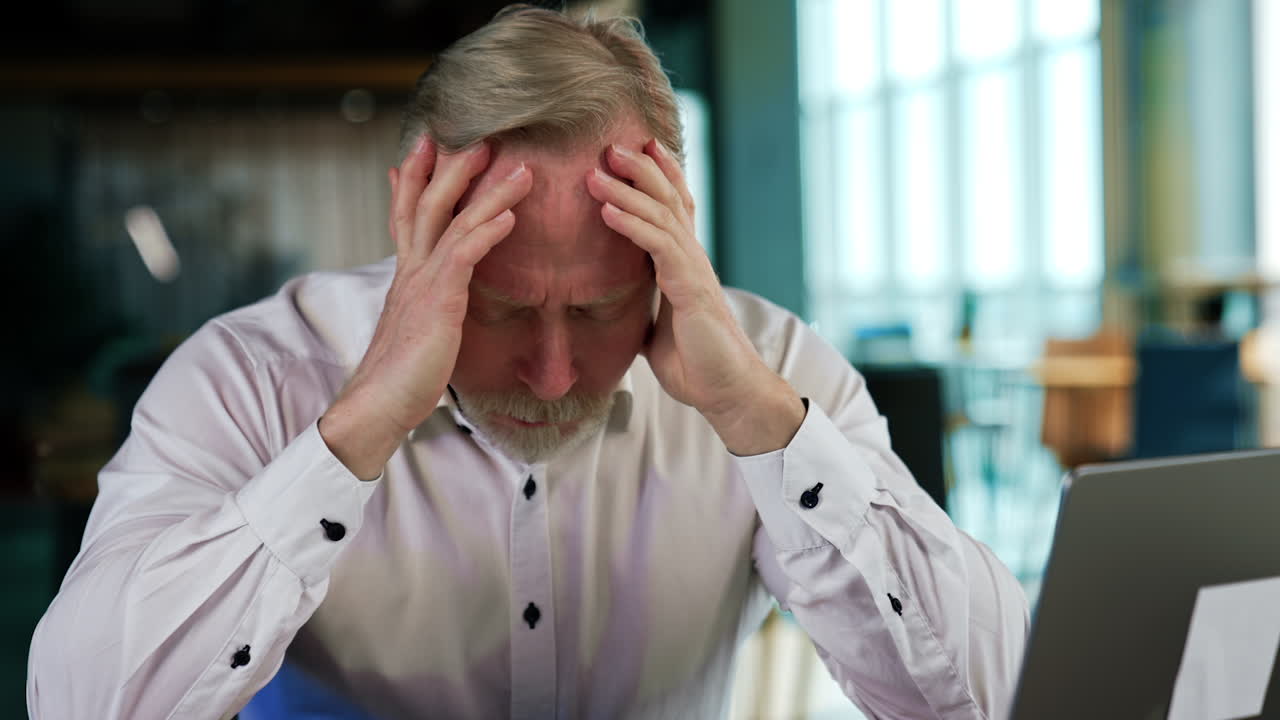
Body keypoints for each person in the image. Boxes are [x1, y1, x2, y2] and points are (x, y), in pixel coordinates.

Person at [27, 5, 1029, 718]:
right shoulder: (248, 377)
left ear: (670, 236)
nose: (550, 375)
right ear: (415, 223)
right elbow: (82, 703)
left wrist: (764, 425)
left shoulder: (765, 367)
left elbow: (995, 697)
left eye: (597, 310)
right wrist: (353, 434)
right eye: (499, 307)